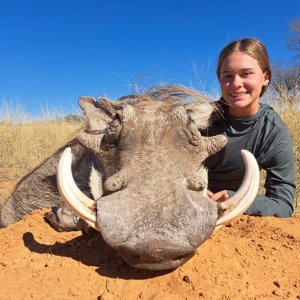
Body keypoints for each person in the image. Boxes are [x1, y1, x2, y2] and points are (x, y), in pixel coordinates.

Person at [204, 37, 295, 217]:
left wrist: (234, 199)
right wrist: (191, 193)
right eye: (227, 76)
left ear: (265, 78)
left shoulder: (273, 131)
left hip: (233, 213)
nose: (236, 84)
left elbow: (283, 203)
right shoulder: (201, 119)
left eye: (246, 74)